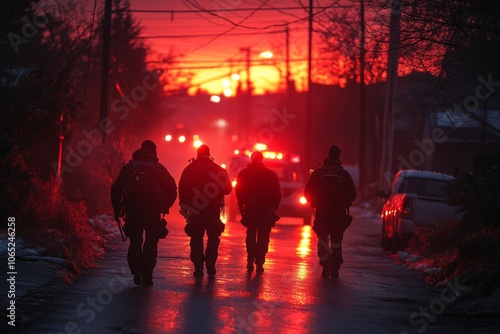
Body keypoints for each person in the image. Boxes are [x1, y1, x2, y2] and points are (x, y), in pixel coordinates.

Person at [111, 140, 177, 286]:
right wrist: (164, 206)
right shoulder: (159, 168)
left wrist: (117, 209)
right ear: (154, 152)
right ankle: (147, 274)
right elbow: (172, 188)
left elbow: (116, 189)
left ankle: (136, 270)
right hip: (152, 211)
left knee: (135, 241)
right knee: (151, 242)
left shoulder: (129, 167)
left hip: (132, 209)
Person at [178, 145, 232, 277]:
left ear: (197, 154)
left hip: (195, 210)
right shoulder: (218, 169)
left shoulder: (189, 169)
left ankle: (198, 267)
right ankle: (210, 263)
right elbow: (228, 190)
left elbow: (182, 190)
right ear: (209, 153)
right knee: (213, 238)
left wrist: (185, 207)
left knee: (196, 238)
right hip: (213, 211)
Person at [304, 145, 356, 278]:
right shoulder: (344, 174)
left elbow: (307, 191)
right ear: (339, 156)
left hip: (322, 211)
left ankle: (325, 265)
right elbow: (353, 193)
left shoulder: (319, 172)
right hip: (338, 213)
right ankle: (335, 267)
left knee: (323, 239)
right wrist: (344, 204)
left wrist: (314, 202)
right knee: (336, 240)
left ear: (328, 155)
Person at [235, 151, 281, 274]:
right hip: (265, 211)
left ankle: (250, 260)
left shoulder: (244, 174)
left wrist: (241, 208)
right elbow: (277, 194)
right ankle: (260, 262)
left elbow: (239, 192)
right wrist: (273, 207)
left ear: (251, 159)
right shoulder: (271, 175)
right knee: (263, 237)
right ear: (262, 159)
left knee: (250, 234)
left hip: (250, 209)